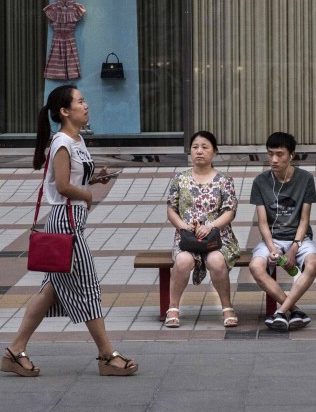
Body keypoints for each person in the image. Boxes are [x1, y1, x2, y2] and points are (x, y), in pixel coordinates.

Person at [2, 85, 137, 377]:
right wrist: (87, 196)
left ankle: (15, 350)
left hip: (71, 220)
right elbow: (62, 186)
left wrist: (94, 180)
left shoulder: (76, 140)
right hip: (66, 223)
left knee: (50, 291)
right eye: (80, 101)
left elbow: (73, 179)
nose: (86, 105)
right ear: (65, 111)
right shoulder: (62, 141)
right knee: (88, 287)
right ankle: (107, 355)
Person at [164, 130, 241, 328]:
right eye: (195, 147)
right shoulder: (179, 179)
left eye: (205, 147)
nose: (199, 151)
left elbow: (229, 211)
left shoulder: (225, 180)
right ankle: (173, 307)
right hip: (187, 238)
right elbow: (171, 209)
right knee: (183, 260)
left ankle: (227, 307)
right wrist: (183, 227)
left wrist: (211, 226)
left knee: (216, 261)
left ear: (214, 152)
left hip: (218, 237)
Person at [248, 132, 316, 331]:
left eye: (279, 154)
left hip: (299, 238)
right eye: (270, 154)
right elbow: (262, 222)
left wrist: (294, 248)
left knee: (313, 262)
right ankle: (294, 310)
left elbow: (304, 219)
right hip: (273, 239)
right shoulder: (260, 181)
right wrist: (272, 249)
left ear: (291, 155)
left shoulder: (305, 179)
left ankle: (280, 312)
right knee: (255, 266)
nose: (274, 160)